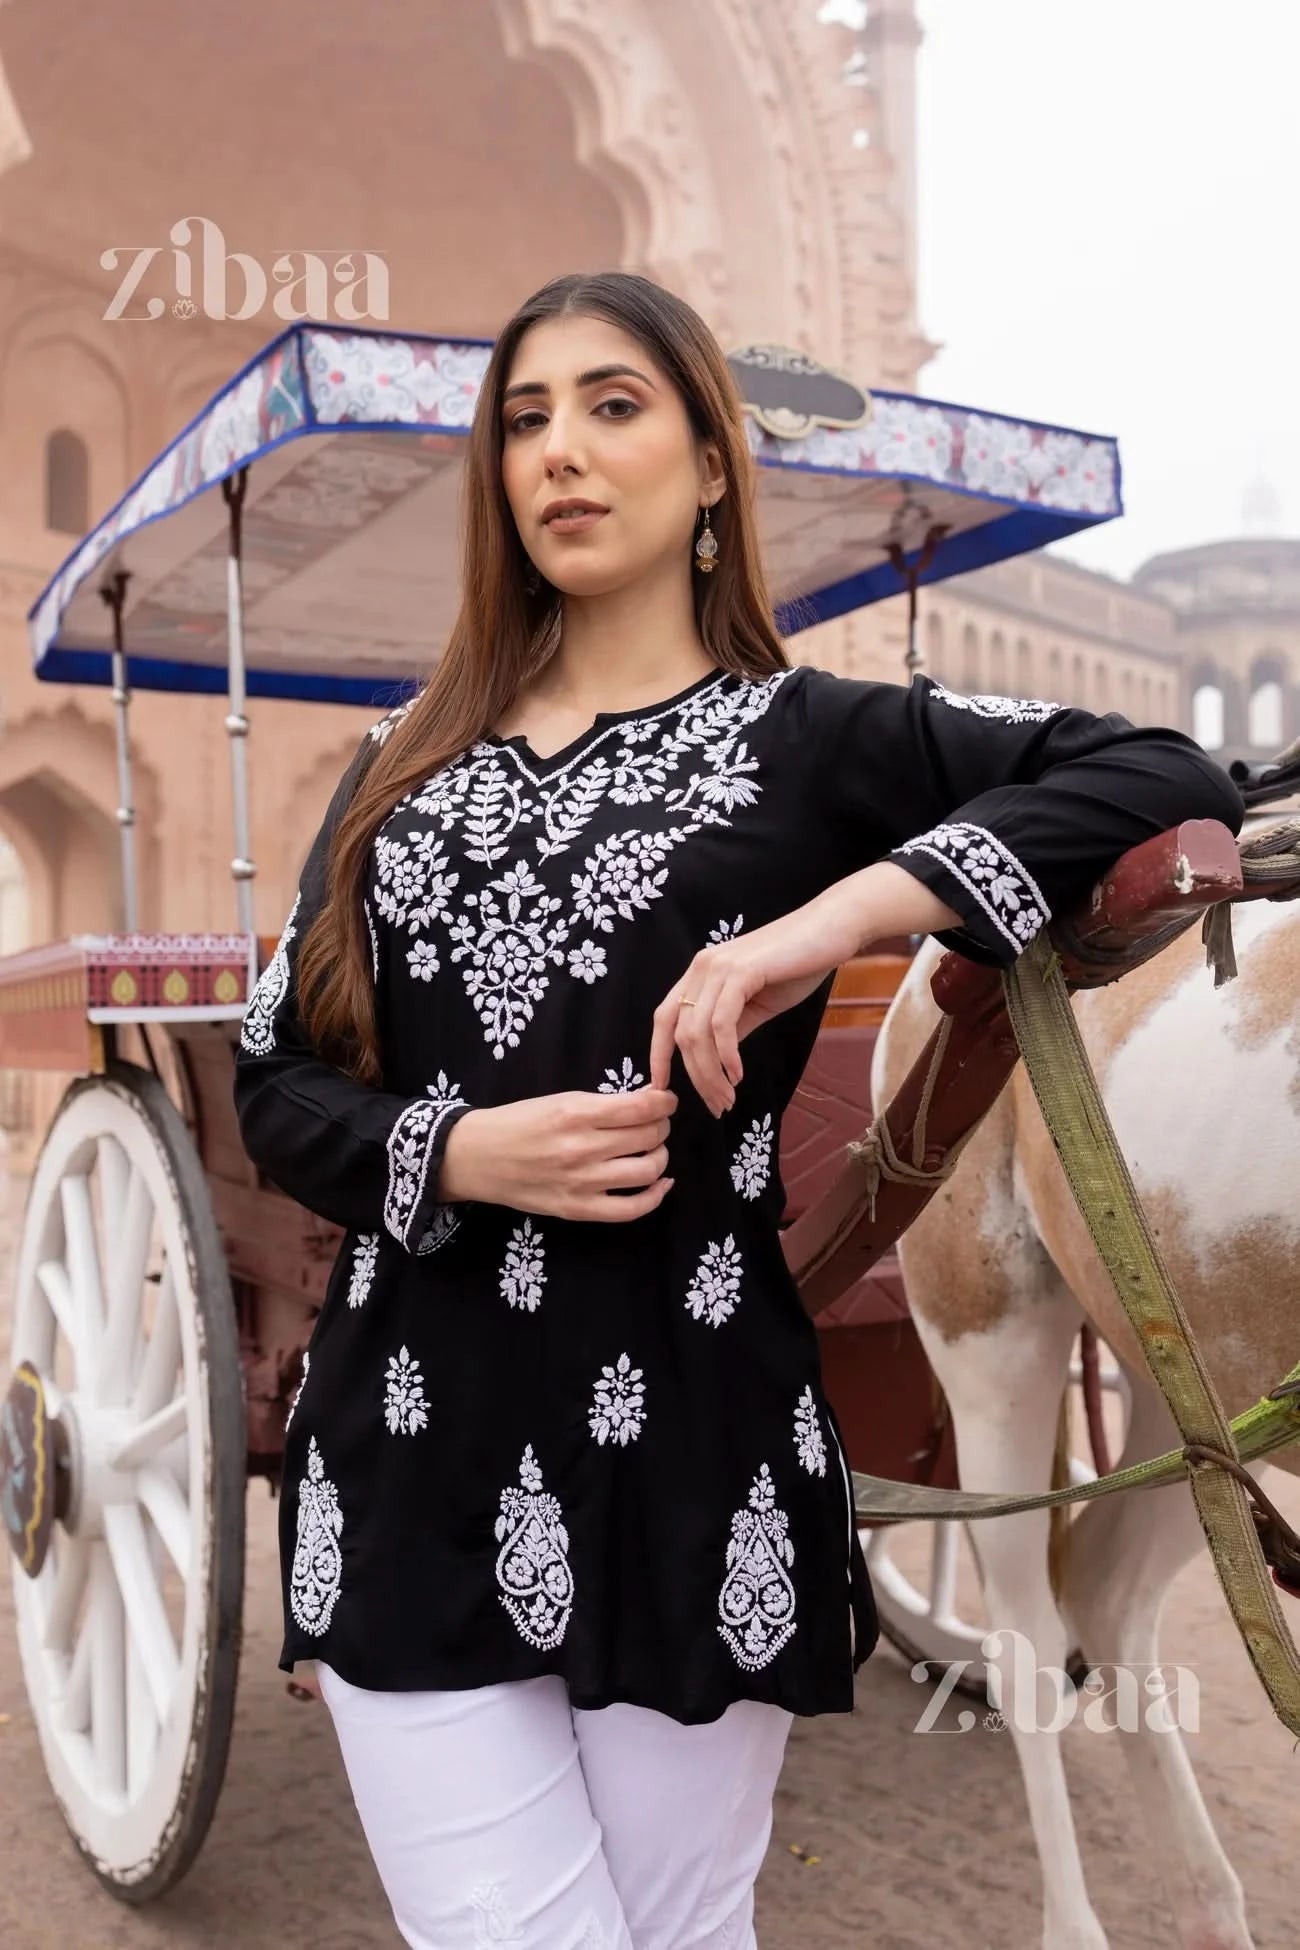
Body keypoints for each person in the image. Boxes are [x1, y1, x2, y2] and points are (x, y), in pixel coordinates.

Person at [232, 270, 1245, 1949]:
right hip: (412, 1447)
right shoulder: (400, 763)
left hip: (695, 1461)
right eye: (528, 418)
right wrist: (458, 1149)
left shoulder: (811, 741)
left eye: (615, 406)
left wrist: (842, 914)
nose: (561, 450)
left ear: (713, 465)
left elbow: (1162, 772)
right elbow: (275, 1079)